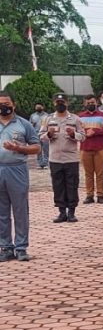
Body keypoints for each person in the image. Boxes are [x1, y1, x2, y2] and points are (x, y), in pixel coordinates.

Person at [0, 92, 41, 262]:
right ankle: (6, 247)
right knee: (1, 212)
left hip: (17, 169)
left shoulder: (24, 124)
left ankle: (21, 247)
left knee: (20, 210)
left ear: (14, 105)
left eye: (6, 103)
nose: (3, 106)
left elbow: (37, 147)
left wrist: (19, 148)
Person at [39, 93, 85, 223]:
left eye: (62, 102)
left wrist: (73, 134)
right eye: (57, 102)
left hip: (71, 158)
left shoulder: (75, 119)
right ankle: (61, 212)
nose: (60, 104)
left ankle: (71, 212)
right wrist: (49, 134)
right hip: (55, 159)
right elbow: (41, 136)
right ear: (53, 103)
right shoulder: (48, 119)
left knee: (72, 185)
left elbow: (83, 136)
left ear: (67, 103)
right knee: (58, 185)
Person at [78, 94, 103, 204]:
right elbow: (77, 131)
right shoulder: (80, 117)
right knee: (88, 174)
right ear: (84, 104)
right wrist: (84, 132)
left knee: (100, 173)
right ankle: (89, 195)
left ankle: (100, 195)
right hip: (85, 148)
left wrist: (95, 132)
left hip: (100, 148)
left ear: (96, 103)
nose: (90, 105)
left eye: (92, 103)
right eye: (88, 103)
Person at [29, 102, 49, 169]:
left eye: (39, 107)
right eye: (37, 107)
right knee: (38, 150)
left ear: (43, 107)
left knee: (46, 149)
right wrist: (32, 125)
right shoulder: (32, 116)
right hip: (36, 134)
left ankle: (46, 163)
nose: (38, 108)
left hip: (45, 134)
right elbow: (30, 125)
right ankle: (40, 164)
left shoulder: (47, 116)